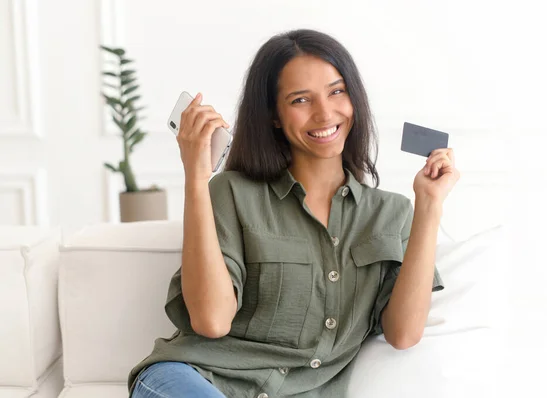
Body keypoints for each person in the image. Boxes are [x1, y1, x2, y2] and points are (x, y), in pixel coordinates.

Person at [128, 28, 460, 398]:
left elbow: (403, 333)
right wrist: (196, 178)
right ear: (274, 115)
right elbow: (211, 320)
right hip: (190, 380)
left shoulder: (391, 213)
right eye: (301, 100)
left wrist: (429, 206)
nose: (325, 113)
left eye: (337, 91)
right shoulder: (232, 193)